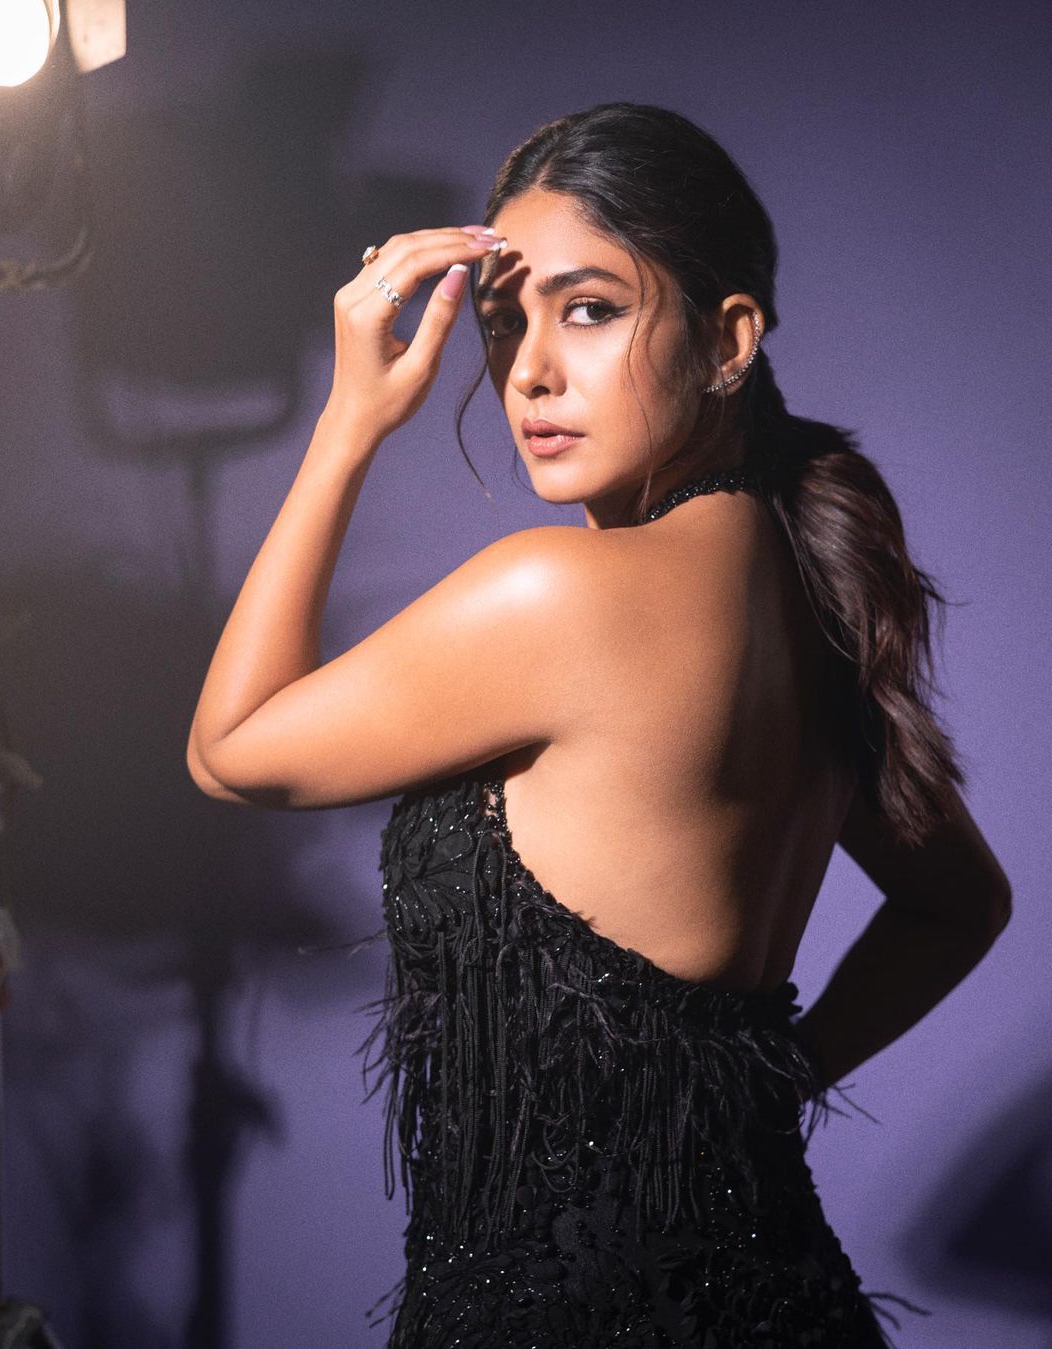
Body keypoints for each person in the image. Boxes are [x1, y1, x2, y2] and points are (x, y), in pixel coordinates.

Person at [186, 102, 1012, 1347]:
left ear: (729, 338)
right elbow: (962, 902)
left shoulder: (559, 593)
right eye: (506, 318)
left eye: (589, 309)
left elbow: (230, 747)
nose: (528, 371)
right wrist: (751, 1101)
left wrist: (349, 421)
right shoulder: (816, 595)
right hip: (778, 1300)